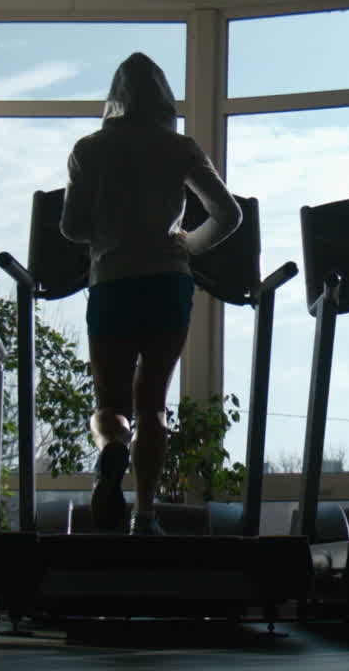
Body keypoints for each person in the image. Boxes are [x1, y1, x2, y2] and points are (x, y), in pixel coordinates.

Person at [61, 52, 242, 535]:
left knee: (111, 405)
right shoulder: (180, 148)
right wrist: (187, 244)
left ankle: (113, 448)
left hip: (113, 281)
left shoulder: (89, 149)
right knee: (153, 403)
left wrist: (105, 232)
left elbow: (71, 227)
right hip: (168, 281)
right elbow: (229, 215)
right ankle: (144, 514)